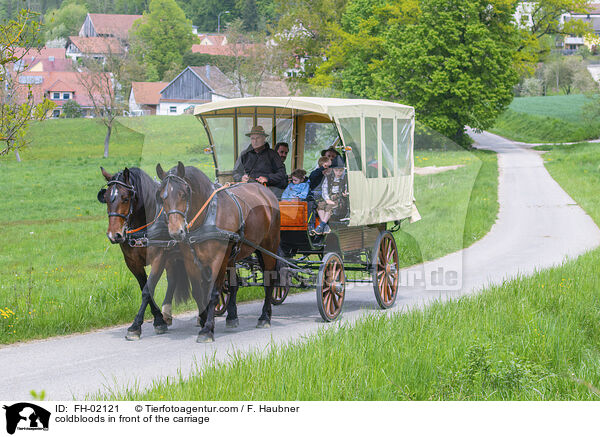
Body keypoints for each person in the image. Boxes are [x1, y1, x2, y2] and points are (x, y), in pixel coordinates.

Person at [233, 125, 287, 195]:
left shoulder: (272, 154)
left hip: (268, 191)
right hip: (247, 190)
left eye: (257, 138)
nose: (255, 141)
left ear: (264, 138)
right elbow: (236, 172)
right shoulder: (244, 154)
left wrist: (267, 178)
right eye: (252, 138)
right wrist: (241, 178)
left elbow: (282, 173)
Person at [313, 156, 348, 235]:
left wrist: (345, 193)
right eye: (336, 170)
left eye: (341, 170)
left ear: (343, 170)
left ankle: (321, 225)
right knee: (320, 206)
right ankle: (324, 226)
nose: (338, 173)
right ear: (333, 170)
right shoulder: (328, 177)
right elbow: (324, 189)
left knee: (329, 207)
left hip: (340, 200)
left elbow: (347, 188)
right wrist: (327, 199)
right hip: (329, 198)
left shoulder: (346, 178)